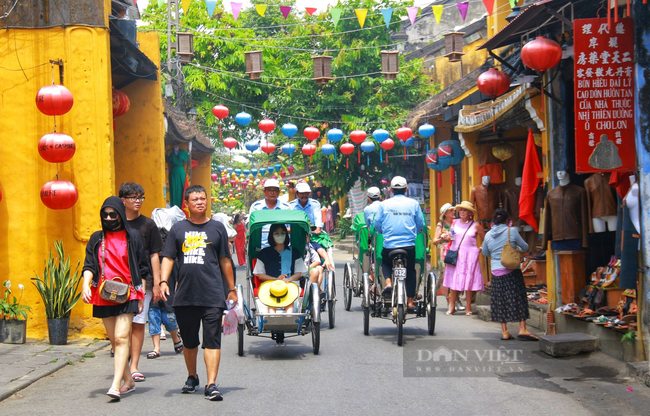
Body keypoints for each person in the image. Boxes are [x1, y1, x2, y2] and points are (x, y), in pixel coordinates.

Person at [160, 185, 236, 401]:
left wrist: (231, 289)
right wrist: (164, 281)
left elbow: (225, 260)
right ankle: (192, 376)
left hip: (212, 293)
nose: (200, 202)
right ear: (187, 204)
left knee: (212, 340)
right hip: (185, 294)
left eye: (203, 198)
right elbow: (168, 257)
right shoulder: (178, 229)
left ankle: (211, 384)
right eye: (195, 199)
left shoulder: (217, 228)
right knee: (190, 341)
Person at [81, 196, 149, 401]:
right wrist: (85, 284)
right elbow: (89, 265)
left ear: (121, 214)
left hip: (128, 293)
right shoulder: (96, 238)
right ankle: (129, 381)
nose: (109, 218)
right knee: (114, 341)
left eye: (113, 214)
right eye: (105, 214)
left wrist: (141, 295)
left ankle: (115, 385)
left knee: (121, 338)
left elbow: (142, 268)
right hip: (103, 293)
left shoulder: (133, 237)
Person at [118, 182, 162, 383]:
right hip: (118, 280)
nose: (137, 201)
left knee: (137, 323)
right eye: (133, 197)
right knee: (120, 325)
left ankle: (134, 366)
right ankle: (121, 361)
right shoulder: (115, 222)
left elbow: (154, 254)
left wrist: (157, 282)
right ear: (123, 200)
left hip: (143, 281)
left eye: (140, 197)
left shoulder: (148, 224)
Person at [481, 209, 536, 341]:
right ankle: (522, 328)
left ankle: (505, 331)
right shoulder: (511, 231)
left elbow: (485, 252)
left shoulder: (488, 235)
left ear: (493, 221)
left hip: (496, 272)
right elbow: (524, 247)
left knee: (500, 301)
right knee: (519, 298)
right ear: (507, 220)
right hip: (511, 270)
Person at [373, 176, 425, 312]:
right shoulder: (413, 204)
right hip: (409, 246)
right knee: (411, 271)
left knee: (386, 263)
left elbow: (377, 224)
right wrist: (417, 229)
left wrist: (381, 230)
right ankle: (410, 302)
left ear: (391, 190)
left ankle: (388, 282)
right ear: (406, 189)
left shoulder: (384, 204)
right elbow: (420, 223)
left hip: (390, 246)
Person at [443, 201, 485, 316]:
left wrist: (479, 249)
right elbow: (451, 237)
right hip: (456, 254)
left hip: (470, 255)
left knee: (468, 280)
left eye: (464, 210)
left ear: (470, 213)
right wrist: (447, 237)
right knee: (454, 280)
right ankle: (452, 306)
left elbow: (485, 239)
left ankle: (468, 307)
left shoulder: (475, 225)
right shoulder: (454, 223)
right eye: (461, 210)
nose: (462, 212)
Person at [252, 223, 307, 313]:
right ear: (271, 235)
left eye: (283, 233)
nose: (280, 235)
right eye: (276, 233)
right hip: (270, 285)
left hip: (291, 284)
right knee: (271, 303)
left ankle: (290, 320)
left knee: (290, 303)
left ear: (286, 235)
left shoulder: (294, 252)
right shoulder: (264, 253)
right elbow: (261, 275)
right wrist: (276, 279)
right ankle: (271, 320)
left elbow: (299, 272)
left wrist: (289, 279)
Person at [147, 227, 183, 359]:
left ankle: (175, 338)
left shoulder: (172, 262)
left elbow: (178, 280)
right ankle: (156, 348)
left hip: (169, 297)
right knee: (153, 320)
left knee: (170, 322)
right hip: (154, 297)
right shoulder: (150, 260)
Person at [432, 203, 465, 312]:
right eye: (451, 211)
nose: (453, 212)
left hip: (455, 250)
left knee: (458, 273)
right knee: (446, 274)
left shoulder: (457, 224)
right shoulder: (440, 225)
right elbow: (434, 241)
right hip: (444, 252)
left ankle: (457, 299)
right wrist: (442, 238)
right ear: (445, 213)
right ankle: (449, 300)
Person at [249, 179, 289, 248]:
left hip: (282, 247)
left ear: (279, 192)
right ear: (264, 191)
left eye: (275, 190)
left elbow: (291, 227)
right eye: (269, 190)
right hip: (261, 247)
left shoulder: (286, 208)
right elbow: (250, 226)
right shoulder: (256, 207)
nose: (272, 193)